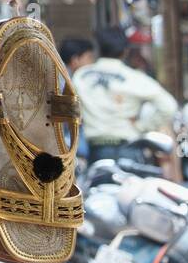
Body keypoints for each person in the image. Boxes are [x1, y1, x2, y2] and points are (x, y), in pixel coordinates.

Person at [73, 26, 177, 165]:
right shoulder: (135, 78)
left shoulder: (81, 76)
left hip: (97, 151)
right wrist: (142, 126)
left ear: (99, 49)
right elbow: (169, 106)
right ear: (125, 51)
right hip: (130, 149)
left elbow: (70, 108)